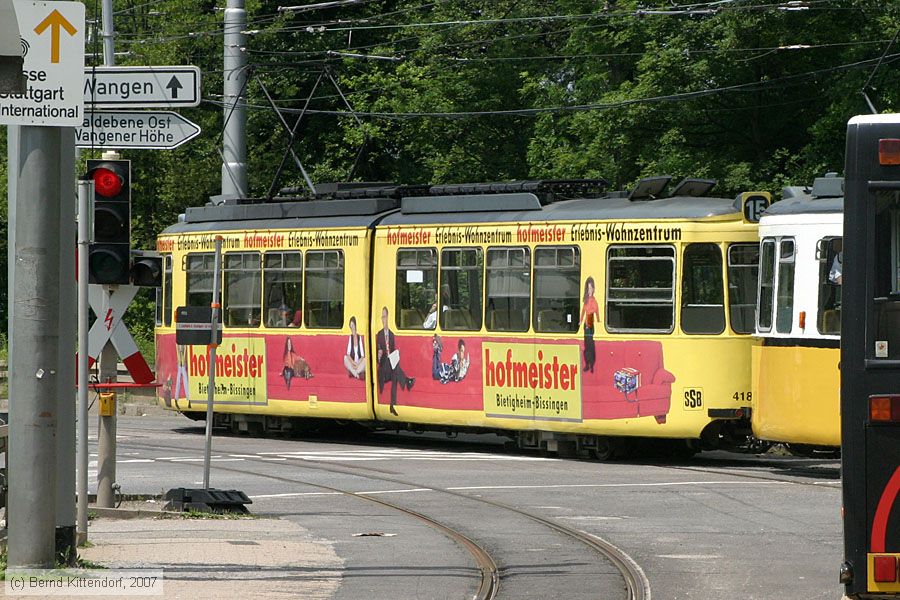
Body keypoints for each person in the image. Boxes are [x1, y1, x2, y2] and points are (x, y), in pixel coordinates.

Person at [376, 306, 414, 415]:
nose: (383, 319)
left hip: (391, 367)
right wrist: (379, 355)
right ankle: (407, 381)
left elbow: (392, 351)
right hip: (383, 369)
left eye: (384, 316)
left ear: (388, 318)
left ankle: (392, 405)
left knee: (395, 373)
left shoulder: (392, 335)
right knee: (394, 366)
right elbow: (378, 352)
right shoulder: (379, 334)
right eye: (382, 317)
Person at [580, 276, 600, 373]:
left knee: (590, 345)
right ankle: (588, 364)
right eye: (588, 288)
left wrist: (599, 320)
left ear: (594, 288)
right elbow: (583, 312)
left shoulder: (594, 300)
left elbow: (596, 311)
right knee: (587, 345)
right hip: (586, 325)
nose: (590, 290)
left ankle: (591, 364)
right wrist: (580, 321)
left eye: (591, 288)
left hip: (591, 325)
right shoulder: (586, 300)